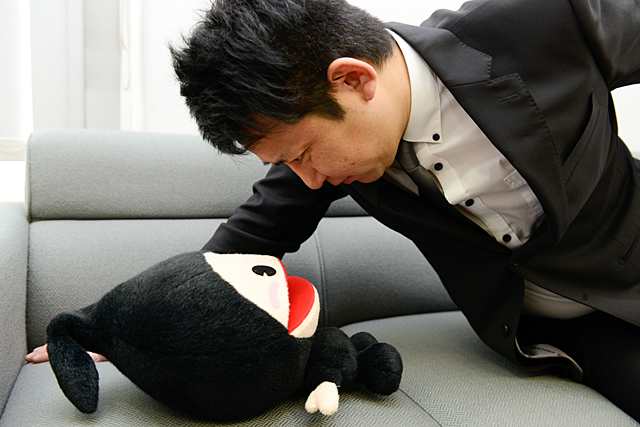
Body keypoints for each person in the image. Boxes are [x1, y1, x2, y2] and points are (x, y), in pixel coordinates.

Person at [28, 0, 640, 420]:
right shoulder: (334, 158)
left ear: (353, 80)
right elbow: (237, 251)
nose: (308, 179)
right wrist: (116, 328)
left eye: (301, 154)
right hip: (561, 335)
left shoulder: (542, 20)